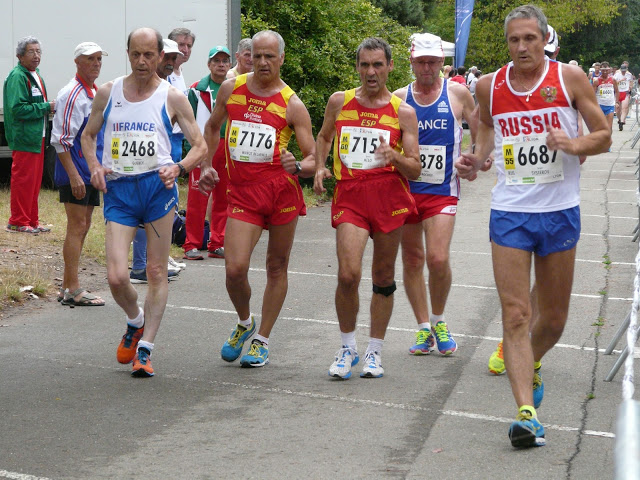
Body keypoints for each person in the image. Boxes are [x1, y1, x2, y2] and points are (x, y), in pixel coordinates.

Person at [455, 4, 611, 448]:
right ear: (507, 44)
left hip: (560, 209)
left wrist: (574, 141)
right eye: (514, 40)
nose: (521, 46)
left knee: (554, 320)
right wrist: (478, 158)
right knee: (517, 312)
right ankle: (526, 413)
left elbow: (603, 134)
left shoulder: (569, 79)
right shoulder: (490, 85)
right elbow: (486, 128)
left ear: (544, 40)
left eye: (529, 38)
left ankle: (532, 360)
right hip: (510, 211)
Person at [81, 27, 209, 377]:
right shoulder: (108, 93)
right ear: (127, 53)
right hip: (120, 190)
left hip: (156, 190)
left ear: (160, 56)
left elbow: (200, 146)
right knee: (117, 276)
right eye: (135, 54)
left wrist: (179, 167)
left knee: (155, 270)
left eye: (148, 55)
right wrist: (94, 166)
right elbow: (88, 136)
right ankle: (135, 320)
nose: (141, 62)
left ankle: (147, 348)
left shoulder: (172, 97)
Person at [198, 30, 316, 368]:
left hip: (281, 194)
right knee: (234, 270)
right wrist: (206, 164)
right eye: (256, 55)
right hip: (243, 194)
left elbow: (312, 159)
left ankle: (262, 339)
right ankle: (244, 321)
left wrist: (299, 166)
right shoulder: (231, 89)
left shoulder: (292, 104)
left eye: (269, 56)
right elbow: (211, 128)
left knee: (276, 266)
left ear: (281, 59)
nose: (262, 62)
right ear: (247, 57)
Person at [314, 37, 420, 379]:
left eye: (378, 65)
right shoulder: (339, 101)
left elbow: (416, 167)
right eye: (365, 65)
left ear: (390, 67)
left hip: (388, 197)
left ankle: (374, 350)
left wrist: (396, 157)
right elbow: (324, 137)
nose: (371, 72)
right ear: (357, 67)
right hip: (351, 195)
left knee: (384, 276)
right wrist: (319, 166)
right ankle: (347, 347)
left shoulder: (402, 112)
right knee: (348, 274)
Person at [393, 33, 479, 358]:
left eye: (433, 61)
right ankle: (423, 328)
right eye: (421, 62)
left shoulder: (456, 93)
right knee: (413, 260)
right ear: (412, 62)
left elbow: (480, 125)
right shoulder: (400, 99)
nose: (427, 68)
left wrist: (472, 155)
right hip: (406, 191)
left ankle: (439, 319)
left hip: (442, 189)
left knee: (437, 258)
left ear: (442, 62)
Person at [51, 42, 108, 306]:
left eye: (99, 59)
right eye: (90, 59)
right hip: (76, 170)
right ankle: (73, 289)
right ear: (77, 62)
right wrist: (74, 176)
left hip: (89, 170)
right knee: (77, 227)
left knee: (83, 228)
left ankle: (68, 286)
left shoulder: (94, 91)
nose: (96, 63)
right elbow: (60, 140)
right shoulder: (71, 93)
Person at [130, 38, 185, 284]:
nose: (171, 63)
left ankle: (158, 259)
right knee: (145, 213)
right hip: (146, 163)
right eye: (168, 58)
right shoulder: (142, 88)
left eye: (175, 59)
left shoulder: (170, 84)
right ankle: (140, 265)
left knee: (168, 207)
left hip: (171, 153)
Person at [182, 45, 232, 260]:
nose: (221, 65)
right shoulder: (196, 89)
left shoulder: (235, 88)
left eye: (225, 61)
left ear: (230, 65)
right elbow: (186, 120)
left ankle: (217, 242)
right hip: (203, 148)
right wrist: (190, 151)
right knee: (198, 196)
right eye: (216, 61)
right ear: (209, 64)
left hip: (228, 148)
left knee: (224, 197)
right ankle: (191, 244)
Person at [3, 36, 55, 234]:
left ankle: (31, 220)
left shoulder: (35, 75)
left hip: (36, 136)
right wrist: (46, 107)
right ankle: (17, 221)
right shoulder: (18, 76)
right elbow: (17, 108)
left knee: (34, 181)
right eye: (31, 52)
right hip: (24, 136)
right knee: (24, 180)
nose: (36, 55)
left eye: (39, 51)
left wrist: (45, 107)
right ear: (20, 56)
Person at [167, 27, 195, 95]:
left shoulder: (179, 69)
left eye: (189, 46)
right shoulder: (164, 72)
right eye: (181, 45)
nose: (186, 50)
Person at [593, 61, 618, 133]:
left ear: (609, 70)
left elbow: (617, 91)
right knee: (600, 126)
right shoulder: (597, 81)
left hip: (610, 105)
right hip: (600, 105)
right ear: (601, 70)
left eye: (606, 70)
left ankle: (607, 142)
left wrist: (617, 102)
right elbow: (592, 93)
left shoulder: (613, 80)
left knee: (609, 127)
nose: (605, 72)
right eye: (603, 71)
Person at [614, 62, 634, 130]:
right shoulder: (617, 74)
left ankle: (622, 122)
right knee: (618, 109)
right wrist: (620, 80)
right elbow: (613, 82)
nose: (623, 72)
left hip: (625, 92)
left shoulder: (629, 74)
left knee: (624, 107)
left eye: (624, 71)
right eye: (622, 71)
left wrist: (630, 87)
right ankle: (619, 119)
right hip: (618, 92)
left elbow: (631, 81)